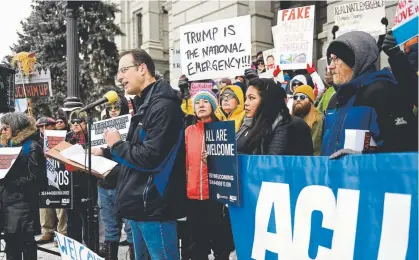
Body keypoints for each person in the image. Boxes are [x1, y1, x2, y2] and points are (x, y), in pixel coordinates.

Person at [100, 49, 186, 259]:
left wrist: (117, 145)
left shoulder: (163, 106)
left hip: (154, 206)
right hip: (139, 205)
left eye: (124, 70)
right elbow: (135, 157)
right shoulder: (144, 105)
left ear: (142, 68)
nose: (120, 77)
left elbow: (149, 157)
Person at [322, 31, 417, 156]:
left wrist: (364, 159)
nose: (331, 66)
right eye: (331, 59)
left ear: (357, 60)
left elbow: (405, 147)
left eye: (337, 59)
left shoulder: (382, 92)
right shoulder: (334, 100)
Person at [185, 90, 234, 259]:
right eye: (198, 103)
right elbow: (184, 164)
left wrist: (213, 162)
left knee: (220, 245)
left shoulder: (222, 129)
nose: (201, 105)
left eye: (205, 102)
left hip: (215, 197)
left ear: (213, 107)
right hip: (193, 196)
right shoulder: (189, 131)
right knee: (198, 245)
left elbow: (229, 164)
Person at [0, 112, 46, 260]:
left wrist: (9, 182)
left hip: (23, 204)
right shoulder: (3, 146)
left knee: (26, 244)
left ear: (17, 128)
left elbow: (36, 178)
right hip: (5, 203)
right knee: (11, 246)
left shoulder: (31, 146)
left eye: (6, 127)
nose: (3, 130)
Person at [96, 96, 134, 260]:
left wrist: (105, 151)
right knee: (110, 230)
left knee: (131, 229)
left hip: (125, 184)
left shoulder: (131, 125)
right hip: (104, 184)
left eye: (116, 107)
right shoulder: (99, 127)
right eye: (110, 107)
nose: (112, 110)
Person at [236, 78, 313, 155]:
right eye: (246, 98)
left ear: (265, 100)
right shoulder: (247, 123)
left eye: (252, 98)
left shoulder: (284, 124)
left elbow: (273, 161)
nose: (246, 103)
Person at [65, 111, 97, 245]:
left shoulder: (92, 137)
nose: (76, 124)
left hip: (88, 182)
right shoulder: (67, 137)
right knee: (72, 220)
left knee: (88, 219)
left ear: (86, 123)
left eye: (80, 121)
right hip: (70, 182)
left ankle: (90, 249)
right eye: (73, 122)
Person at [35, 117, 68, 245]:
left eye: (46, 126)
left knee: (61, 206)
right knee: (45, 205)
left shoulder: (61, 138)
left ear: (52, 126)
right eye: (41, 127)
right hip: (45, 177)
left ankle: (62, 234)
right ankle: (47, 232)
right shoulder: (37, 142)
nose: (43, 129)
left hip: (59, 176)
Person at [292, 85, 324, 155]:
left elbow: (313, 146)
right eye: (295, 97)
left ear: (311, 101)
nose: (298, 100)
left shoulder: (318, 119)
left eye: (302, 97)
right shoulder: (289, 119)